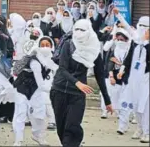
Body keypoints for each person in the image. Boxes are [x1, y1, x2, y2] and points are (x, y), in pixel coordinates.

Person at [50, 19, 113, 147]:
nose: (79, 33)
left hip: (77, 95)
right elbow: (62, 68)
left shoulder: (94, 49)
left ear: (89, 31)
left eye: (82, 30)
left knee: (72, 127)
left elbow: (99, 75)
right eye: (76, 29)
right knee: (61, 129)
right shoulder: (68, 44)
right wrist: (77, 82)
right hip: (59, 90)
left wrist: (107, 101)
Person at [12, 36, 58, 146]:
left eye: (48, 45)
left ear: (52, 46)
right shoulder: (35, 60)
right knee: (20, 113)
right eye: (42, 45)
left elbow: (58, 70)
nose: (45, 48)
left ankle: (38, 136)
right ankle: (18, 140)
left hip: (36, 90)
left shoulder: (50, 60)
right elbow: (40, 82)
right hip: (22, 88)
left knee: (39, 115)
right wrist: (52, 90)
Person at [114, 8, 149, 143]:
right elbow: (129, 58)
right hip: (133, 78)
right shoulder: (135, 41)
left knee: (144, 106)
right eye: (139, 25)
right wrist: (122, 69)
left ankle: (147, 131)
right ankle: (139, 128)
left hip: (146, 80)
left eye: (144, 26)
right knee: (134, 104)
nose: (141, 29)